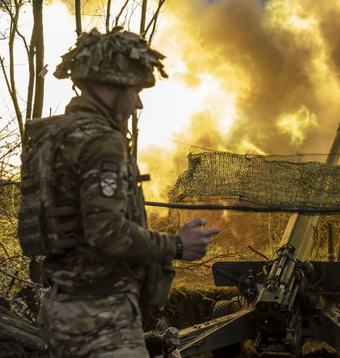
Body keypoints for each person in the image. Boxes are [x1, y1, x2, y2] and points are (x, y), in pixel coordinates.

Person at [34, 27, 220, 357]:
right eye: (135, 89)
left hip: (66, 309)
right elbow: (105, 232)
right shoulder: (101, 143)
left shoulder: (63, 136)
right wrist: (177, 245)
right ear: (111, 85)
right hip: (101, 318)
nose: (139, 102)